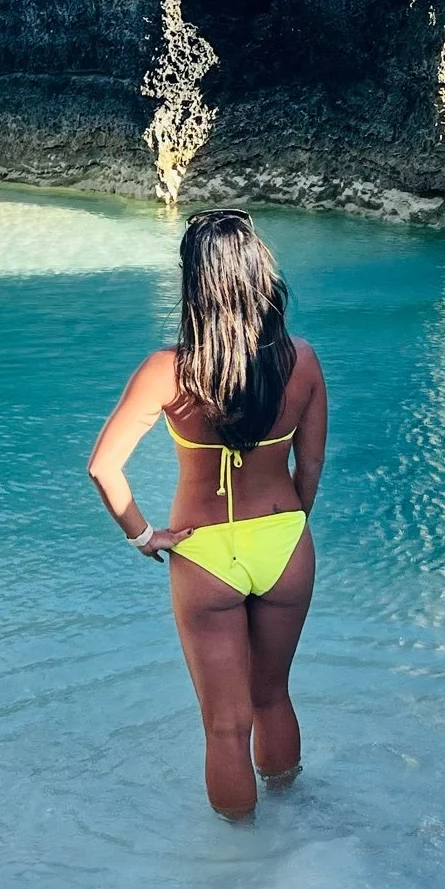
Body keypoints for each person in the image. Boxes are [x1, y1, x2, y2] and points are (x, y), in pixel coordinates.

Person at [89, 209, 328, 818]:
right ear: (259, 276)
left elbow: (103, 468)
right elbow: (311, 469)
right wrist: (287, 525)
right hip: (284, 541)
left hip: (203, 551)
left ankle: (242, 866)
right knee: (273, 697)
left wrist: (145, 536)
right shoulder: (302, 360)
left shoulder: (168, 370)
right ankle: (294, 820)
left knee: (225, 727)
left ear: (194, 283)